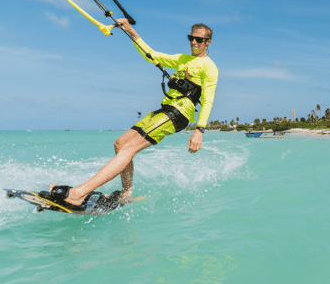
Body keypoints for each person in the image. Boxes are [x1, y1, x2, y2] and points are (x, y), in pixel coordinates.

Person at [43, 19, 219, 211]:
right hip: (164, 110)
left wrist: (199, 131)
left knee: (130, 149)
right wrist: (130, 31)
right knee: (120, 144)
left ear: (207, 42)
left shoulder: (209, 67)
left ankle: (78, 194)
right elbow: (151, 55)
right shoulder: (183, 59)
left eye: (199, 40)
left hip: (178, 114)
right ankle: (126, 194)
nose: (194, 42)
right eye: (191, 38)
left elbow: (208, 100)